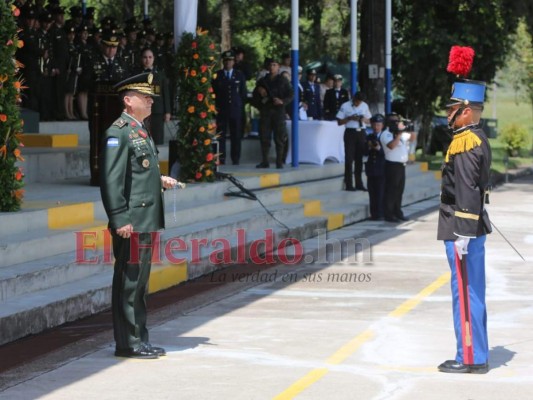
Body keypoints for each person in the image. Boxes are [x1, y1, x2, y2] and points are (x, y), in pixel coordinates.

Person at [100, 72, 179, 359]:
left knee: (140, 283)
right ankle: (128, 343)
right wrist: (119, 217)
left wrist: (160, 180)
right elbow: (111, 180)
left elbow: (138, 172)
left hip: (144, 219)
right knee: (129, 281)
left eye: (151, 96)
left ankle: (139, 338)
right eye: (144, 95)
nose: (150, 100)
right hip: (131, 221)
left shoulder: (139, 130)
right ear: (128, 100)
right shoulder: (118, 132)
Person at [437, 75, 492, 374]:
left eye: (453, 109)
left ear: (467, 110)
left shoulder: (466, 143)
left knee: (465, 293)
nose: (448, 114)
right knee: (472, 292)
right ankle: (477, 352)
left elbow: (468, 190)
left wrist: (462, 233)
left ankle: (469, 357)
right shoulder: (475, 137)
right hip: (468, 227)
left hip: (462, 229)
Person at [252, 57, 293, 169]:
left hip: (278, 111)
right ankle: (265, 161)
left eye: (274, 65)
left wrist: (282, 101)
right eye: (270, 65)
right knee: (264, 137)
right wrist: (260, 92)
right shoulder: (262, 81)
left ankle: (279, 162)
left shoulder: (283, 80)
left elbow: (291, 94)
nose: (272, 67)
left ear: (278, 67)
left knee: (279, 137)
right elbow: (254, 98)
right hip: (266, 111)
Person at [212, 50, 247, 165]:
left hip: (235, 110)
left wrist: (240, 107)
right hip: (222, 109)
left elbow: (243, 94)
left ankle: (235, 158)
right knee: (221, 135)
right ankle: (221, 158)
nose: (228, 63)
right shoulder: (218, 75)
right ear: (223, 62)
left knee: (236, 135)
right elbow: (213, 93)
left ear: (233, 62)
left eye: (230, 61)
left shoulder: (239, 75)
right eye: (226, 61)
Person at [380, 113, 415, 221]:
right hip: (392, 165)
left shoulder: (398, 133)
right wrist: (398, 135)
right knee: (391, 190)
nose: (397, 123)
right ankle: (389, 214)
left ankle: (397, 212)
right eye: (394, 122)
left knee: (399, 190)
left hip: (401, 166)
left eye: (397, 121)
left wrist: (411, 127)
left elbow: (412, 138)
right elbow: (391, 146)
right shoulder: (386, 134)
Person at [336, 91, 371, 191]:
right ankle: (349, 183)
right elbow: (339, 122)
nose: (358, 104)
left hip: (361, 132)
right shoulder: (345, 105)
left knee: (359, 159)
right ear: (353, 99)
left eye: (360, 102)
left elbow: (369, 120)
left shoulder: (364, 106)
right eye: (357, 102)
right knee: (349, 159)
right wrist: (350, 118)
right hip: (350, 132)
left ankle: (359, 183)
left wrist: (363, 119)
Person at [137, 47, 171, 145]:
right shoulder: (137, 74)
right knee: (141, 139)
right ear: (141, 59)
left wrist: (167, 111)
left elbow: (166, 93)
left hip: (157, 110)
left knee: (157, 139)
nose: (147, 60)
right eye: (145, 57)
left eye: (150, 57)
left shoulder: (160, 74)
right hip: (141, 111)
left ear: (154, 58)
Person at [364, 114, 386, 220]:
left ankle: (380, 213)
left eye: (378, 124)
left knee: (380, 192)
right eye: (374, 125)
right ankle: (373, 214)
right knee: (372, 192)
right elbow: (363, 151)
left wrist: (379, 149)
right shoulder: (369, 137)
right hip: (371, 168)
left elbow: (389, 152)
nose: (376, 127)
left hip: (382, 168)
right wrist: (368, 147)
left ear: (382, 125)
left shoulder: (385, 137)